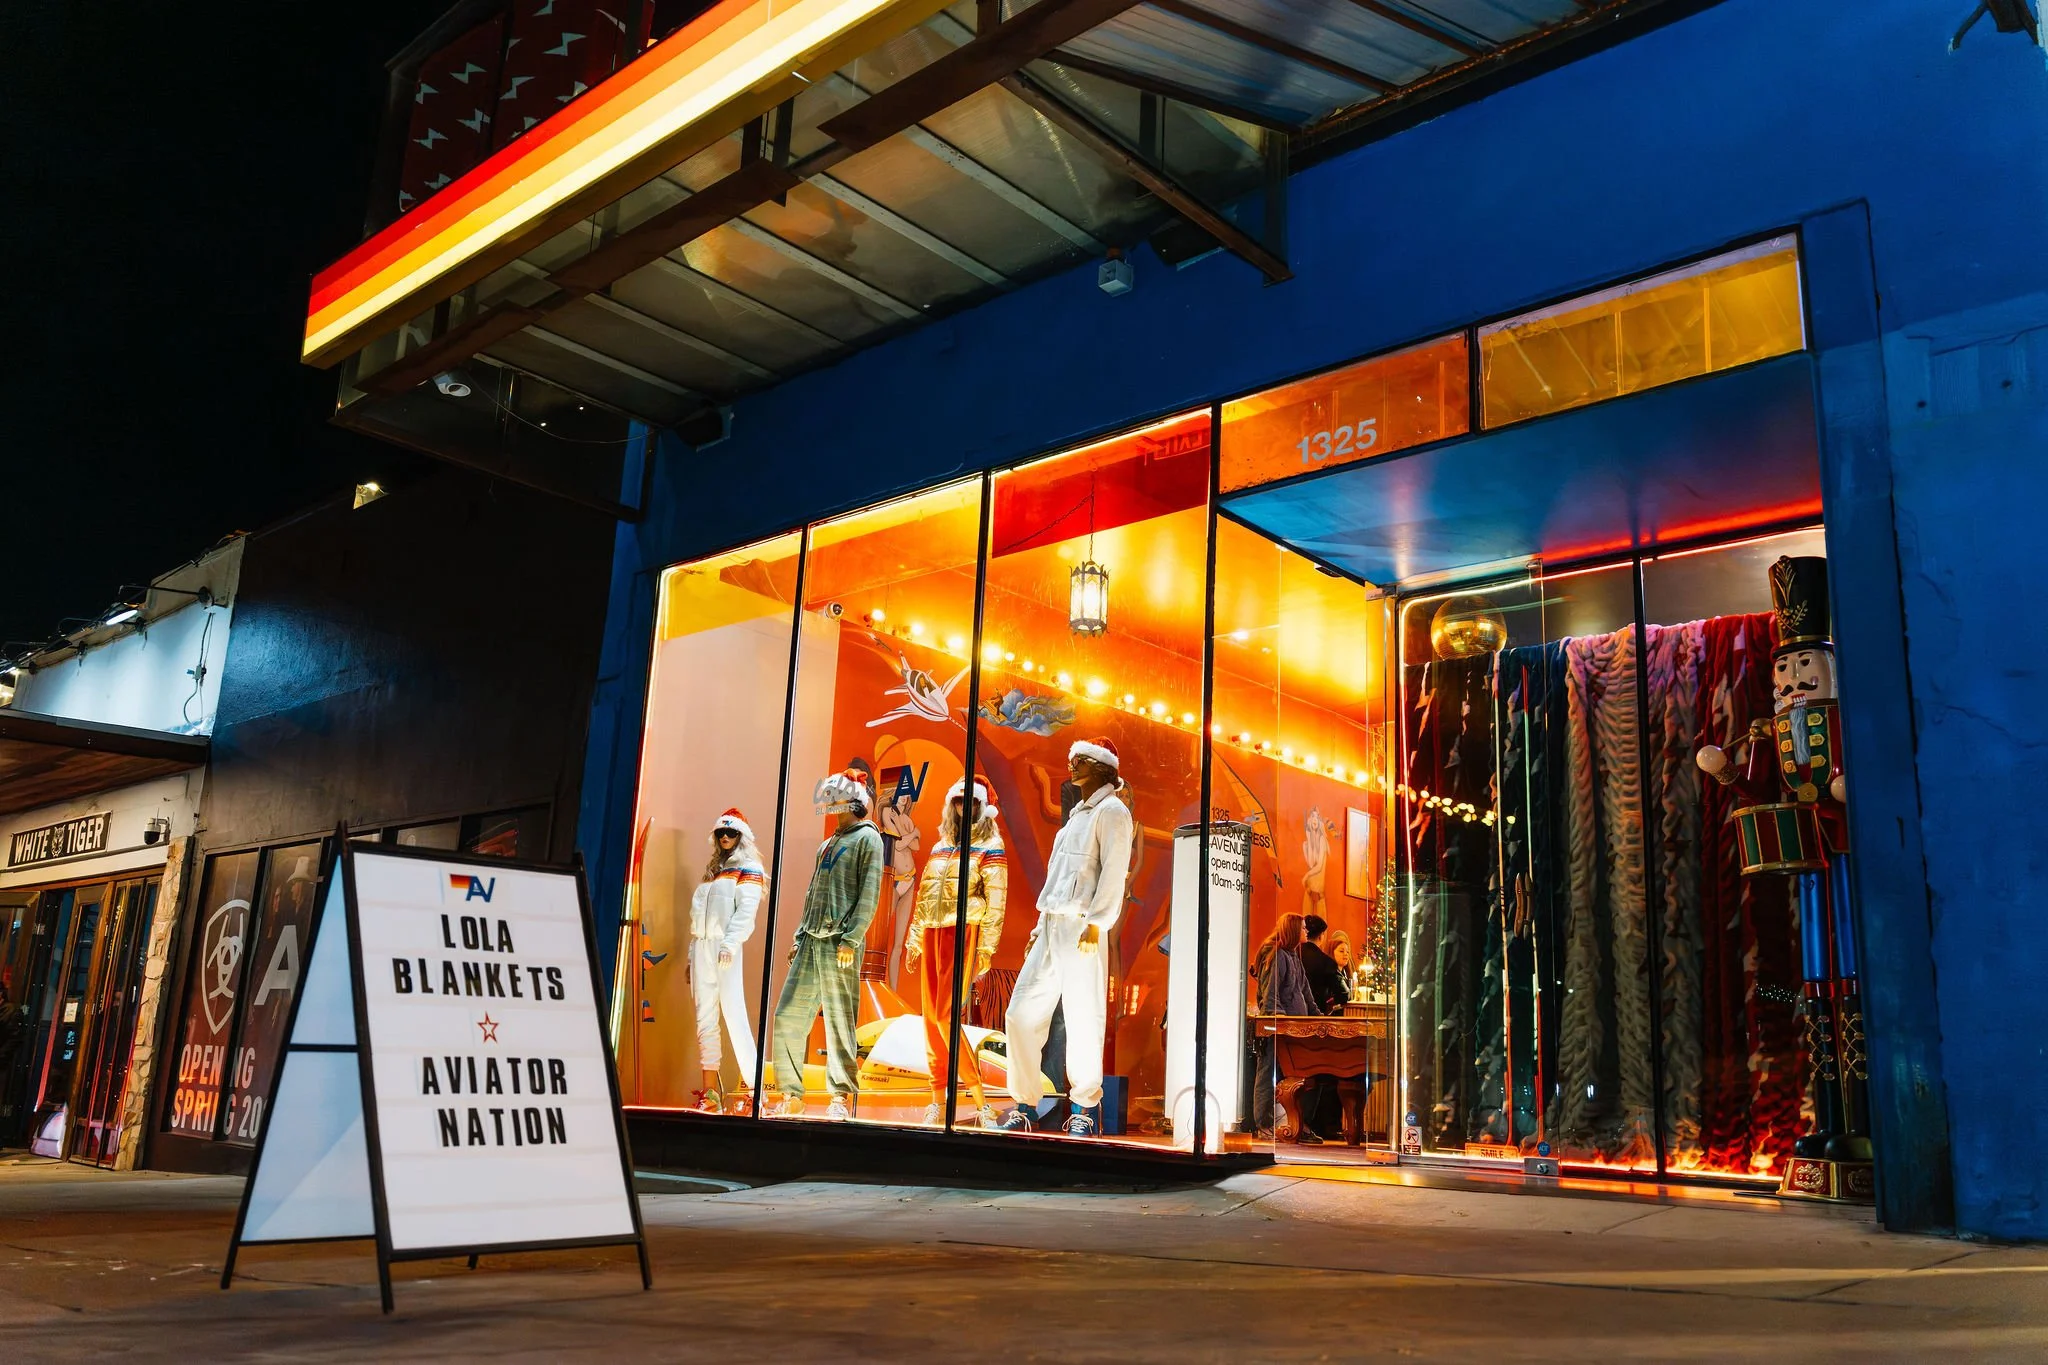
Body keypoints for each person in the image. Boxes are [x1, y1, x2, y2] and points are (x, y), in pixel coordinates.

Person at [998, 737, 1134, 1138]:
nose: (1072, 766)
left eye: (1082, 761)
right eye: (1072, 760)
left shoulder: (1112, 812)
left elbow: (1114, 872)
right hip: (1052, 925)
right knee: (1020, 1014)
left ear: (1103, 767)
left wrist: (1098, 922)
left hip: (1082, 927)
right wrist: (1039, 927)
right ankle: (1024, 1102)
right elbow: (1057, 879)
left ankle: (1085, 1109)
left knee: (1082, 1018)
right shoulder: (1076, 817)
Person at [770, 769, 884, 1121]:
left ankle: (841, 1095)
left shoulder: (869, 839)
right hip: (811, 941)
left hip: (840, 943)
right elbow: (812, 893)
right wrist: (799, 935)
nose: (831, 803)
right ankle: (791, 1094)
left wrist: (852, 937)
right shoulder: (828, 843)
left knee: (839, 1020)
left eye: (836, 796)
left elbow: (870, 894)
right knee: (787, 1016)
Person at [903, 774, 1007, 1128]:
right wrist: (915, 938)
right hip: (932, 932)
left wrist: (986, 947)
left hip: (964, 932)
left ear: (981, 807)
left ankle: (980, 1099)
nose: (964, 807)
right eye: (959, 801)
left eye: (971, 802)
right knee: (931, 1020)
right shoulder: (940, 846)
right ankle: (937, 1099)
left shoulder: (991, 847)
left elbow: (997, 902)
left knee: (947, 1016)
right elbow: (923, 894)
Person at [687, 809, 765, 1114]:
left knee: (735, 1014)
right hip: (702, 946)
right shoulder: (714, 871)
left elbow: (746, 912)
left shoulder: (749, 867)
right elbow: (698, 916)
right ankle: (710, 1091)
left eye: (731, 833)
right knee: (704, 1018)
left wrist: (731, 943)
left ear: (742, 835)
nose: (725, 838)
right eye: (721, 833)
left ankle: (753, 1089)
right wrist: (691, 955)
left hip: (725, 945)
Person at [1250, 912, 1312, 1137]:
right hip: (1279, 1027)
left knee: (1295, 1077)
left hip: (1295, 1028)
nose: (1307, 931)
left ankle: (1294, 1124)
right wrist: (1281, 1025)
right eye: (1304, 928)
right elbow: (1271, 995)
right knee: (1268, 1073)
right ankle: (1264, 1124)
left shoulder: (1294, 955)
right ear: (1294, 930)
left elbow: (1305, 992)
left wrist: (1315, 1017)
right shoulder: (1277, 955)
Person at [1295, 914, 1346, 1141]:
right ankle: (1308, 1122)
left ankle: (1291, 1122)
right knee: (1317, 1073)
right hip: (1315, 1022)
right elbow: (1344, 994)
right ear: (1323, 935)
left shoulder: (1292, 955)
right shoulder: (1325, 963)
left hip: (1291, 1019)